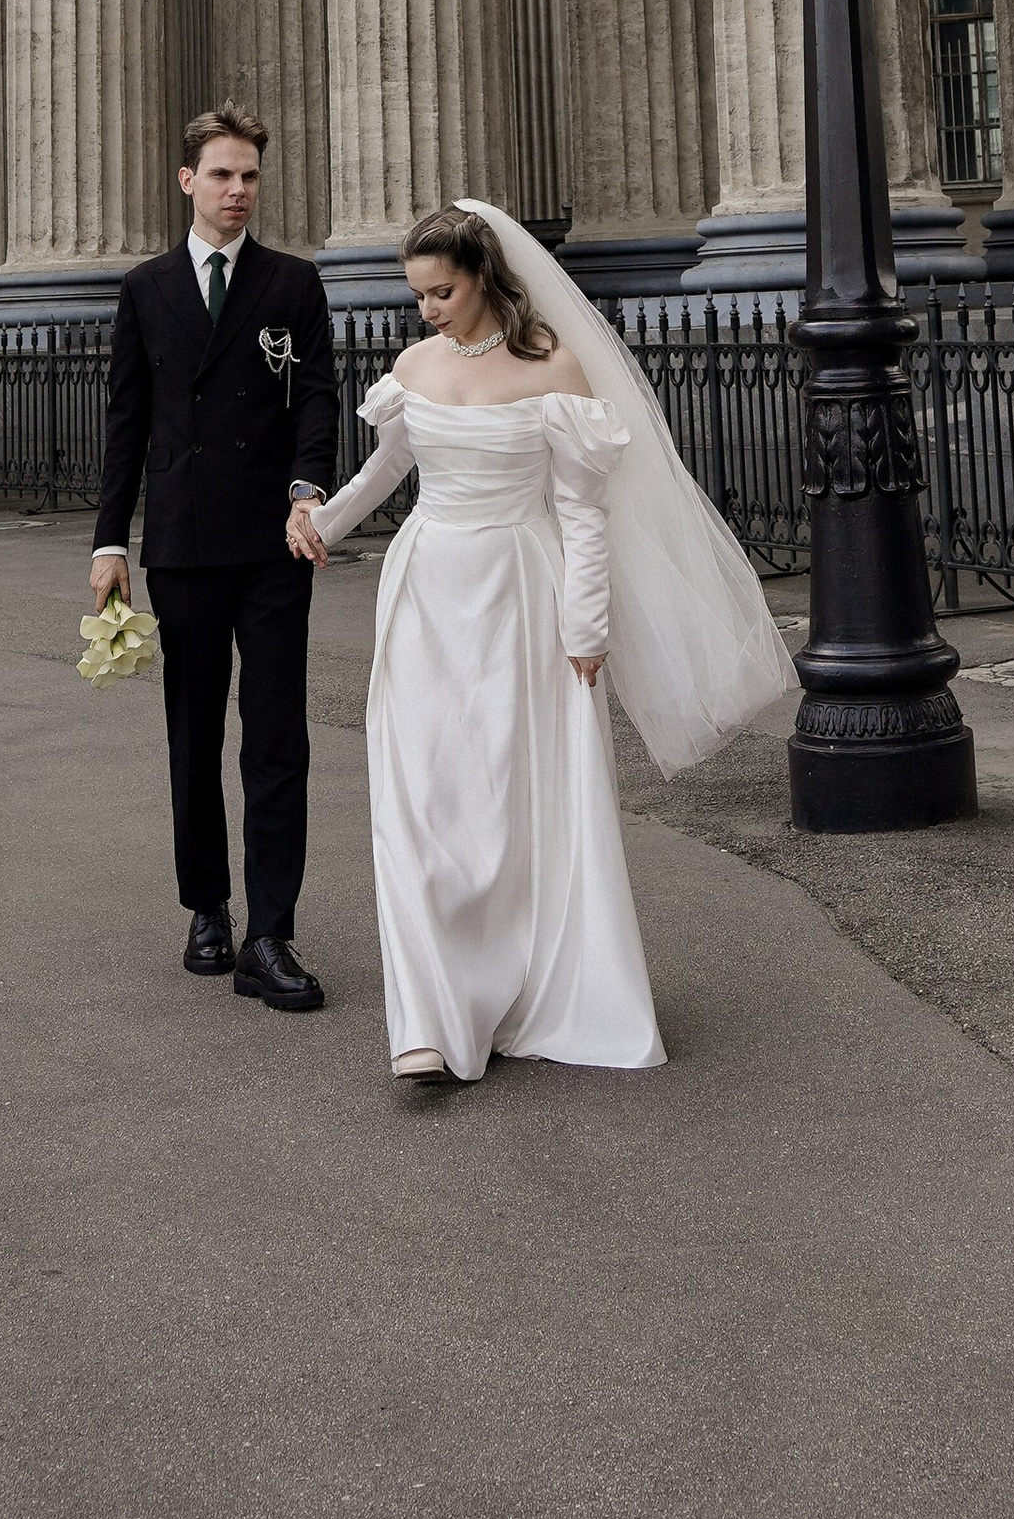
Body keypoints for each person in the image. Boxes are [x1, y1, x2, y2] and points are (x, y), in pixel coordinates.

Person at [289, 198, 797, 1083]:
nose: (428, 310)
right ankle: (431, 1019)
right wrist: (322, 520)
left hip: (522, 592)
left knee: (513, 796)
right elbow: (389, 466)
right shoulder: (413, 365)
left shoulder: (554, 367)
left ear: (484, 278)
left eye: (442, 292)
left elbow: (583, 513)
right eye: (418, 295)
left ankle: (528, 989)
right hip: (425, 590)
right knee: (419, 794)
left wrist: (587, 625)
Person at [91, 107, 337, 1013]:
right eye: (223, 175)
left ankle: (270, 932)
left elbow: (317, 396)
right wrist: (110, 541)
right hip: (184, 543)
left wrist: (309, 490)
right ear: (188, 180)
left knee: (276, 738)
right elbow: (126, 421)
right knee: (193, 735)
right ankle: (207, 906)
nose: (239, 191)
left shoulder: (291, 283)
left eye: (251, 177)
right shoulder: (147, 288)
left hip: (273, 541)